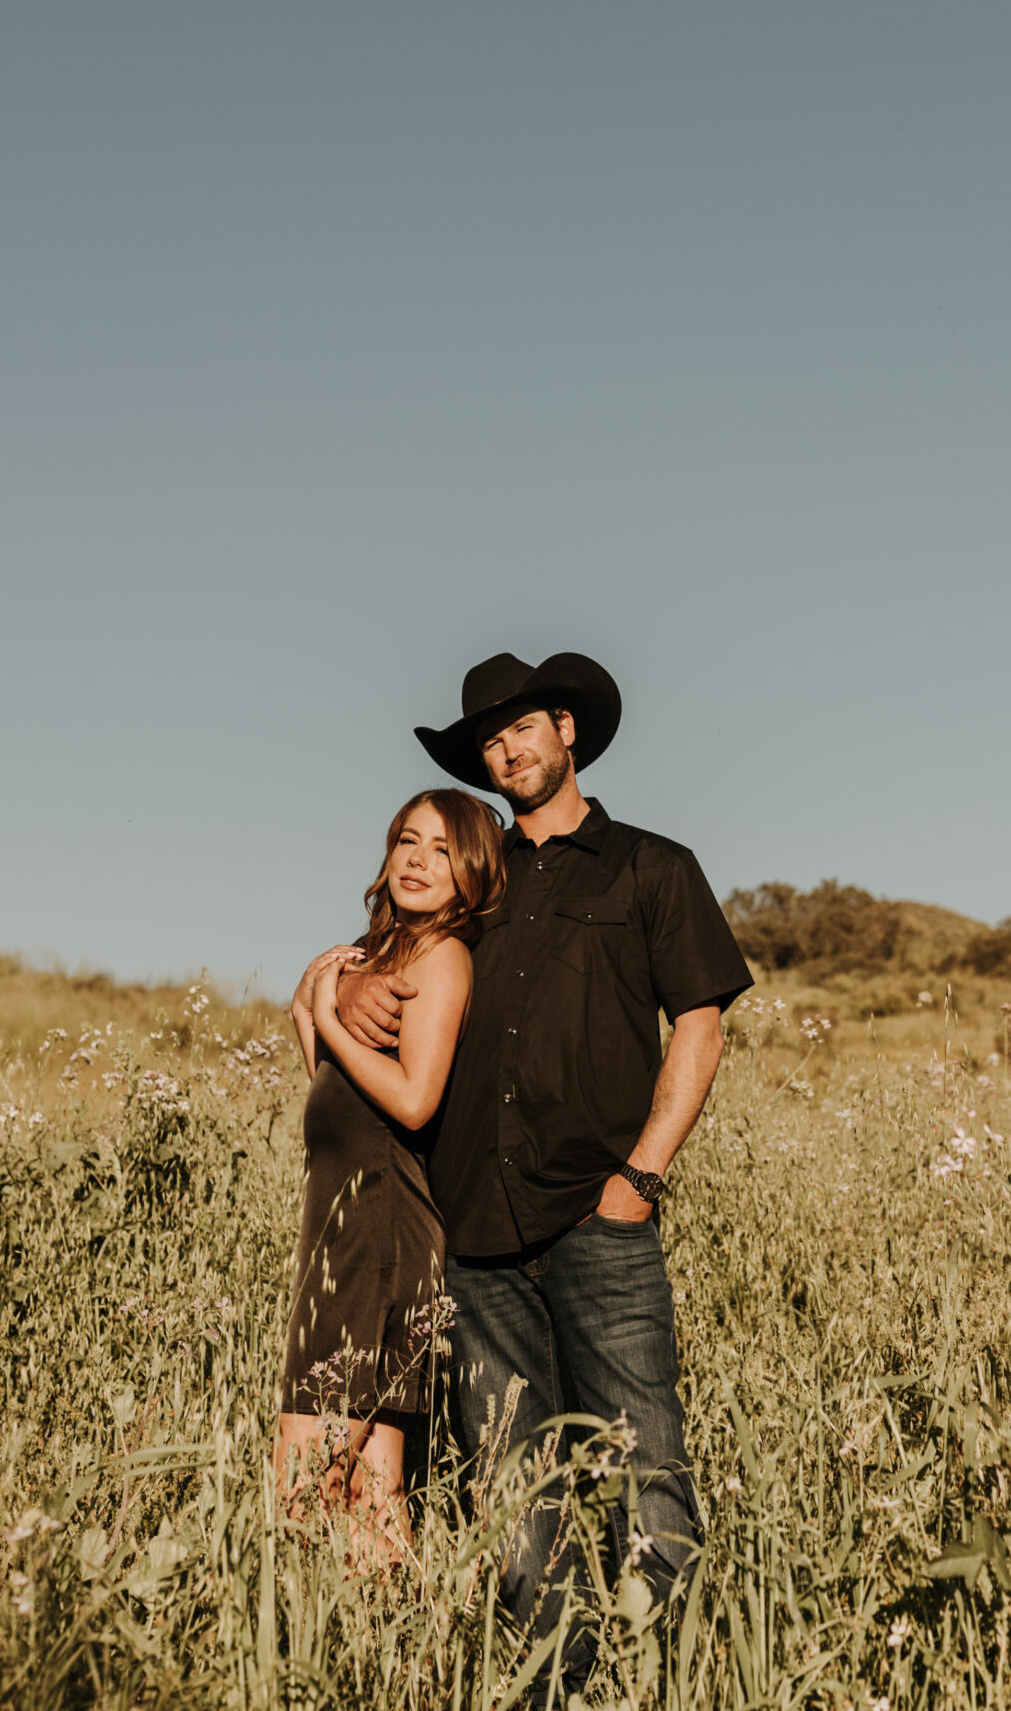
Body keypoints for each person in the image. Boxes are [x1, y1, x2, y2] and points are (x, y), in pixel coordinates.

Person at [337, 651, 751, 1673]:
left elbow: (699, 1026)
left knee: (642, 1453)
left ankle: (669, 1674)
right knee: (514, 1482)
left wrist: (640, 1180)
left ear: (567, 729)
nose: (505, 749)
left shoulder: (653, 866)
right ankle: (552, 1683)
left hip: (597, 1215)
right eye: (486, 738)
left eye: (521, 727)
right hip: (472, 1228)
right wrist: (343, 982)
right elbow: (380, 959)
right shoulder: (473, 881)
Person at [275, 786, 505, 1556]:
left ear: (470, 872)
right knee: (372, 1494)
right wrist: (312, 1000)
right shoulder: (375, 956)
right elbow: (334, 1087)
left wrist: (330, 1012)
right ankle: (402, 1657)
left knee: (303, 1484)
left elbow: (411, 1102)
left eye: (443, 850)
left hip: (378, 1232)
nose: (418, 860)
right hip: (343, 1224)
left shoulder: (442, 957)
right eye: (409, 840)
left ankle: (320, 1653)